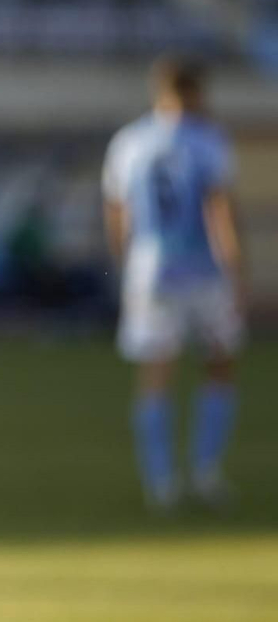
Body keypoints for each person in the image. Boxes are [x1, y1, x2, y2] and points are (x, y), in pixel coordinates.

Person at [102, 56, 245, 512]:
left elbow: (116, 212)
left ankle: (160, 481)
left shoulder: (130, 142)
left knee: (155, 372)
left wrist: (124, 264)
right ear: (195, 92)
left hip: (150, 268)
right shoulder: (208, 141)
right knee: (219, 363)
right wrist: (237, 268)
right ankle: (204, 471)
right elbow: (218, 210)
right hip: (202, 268)